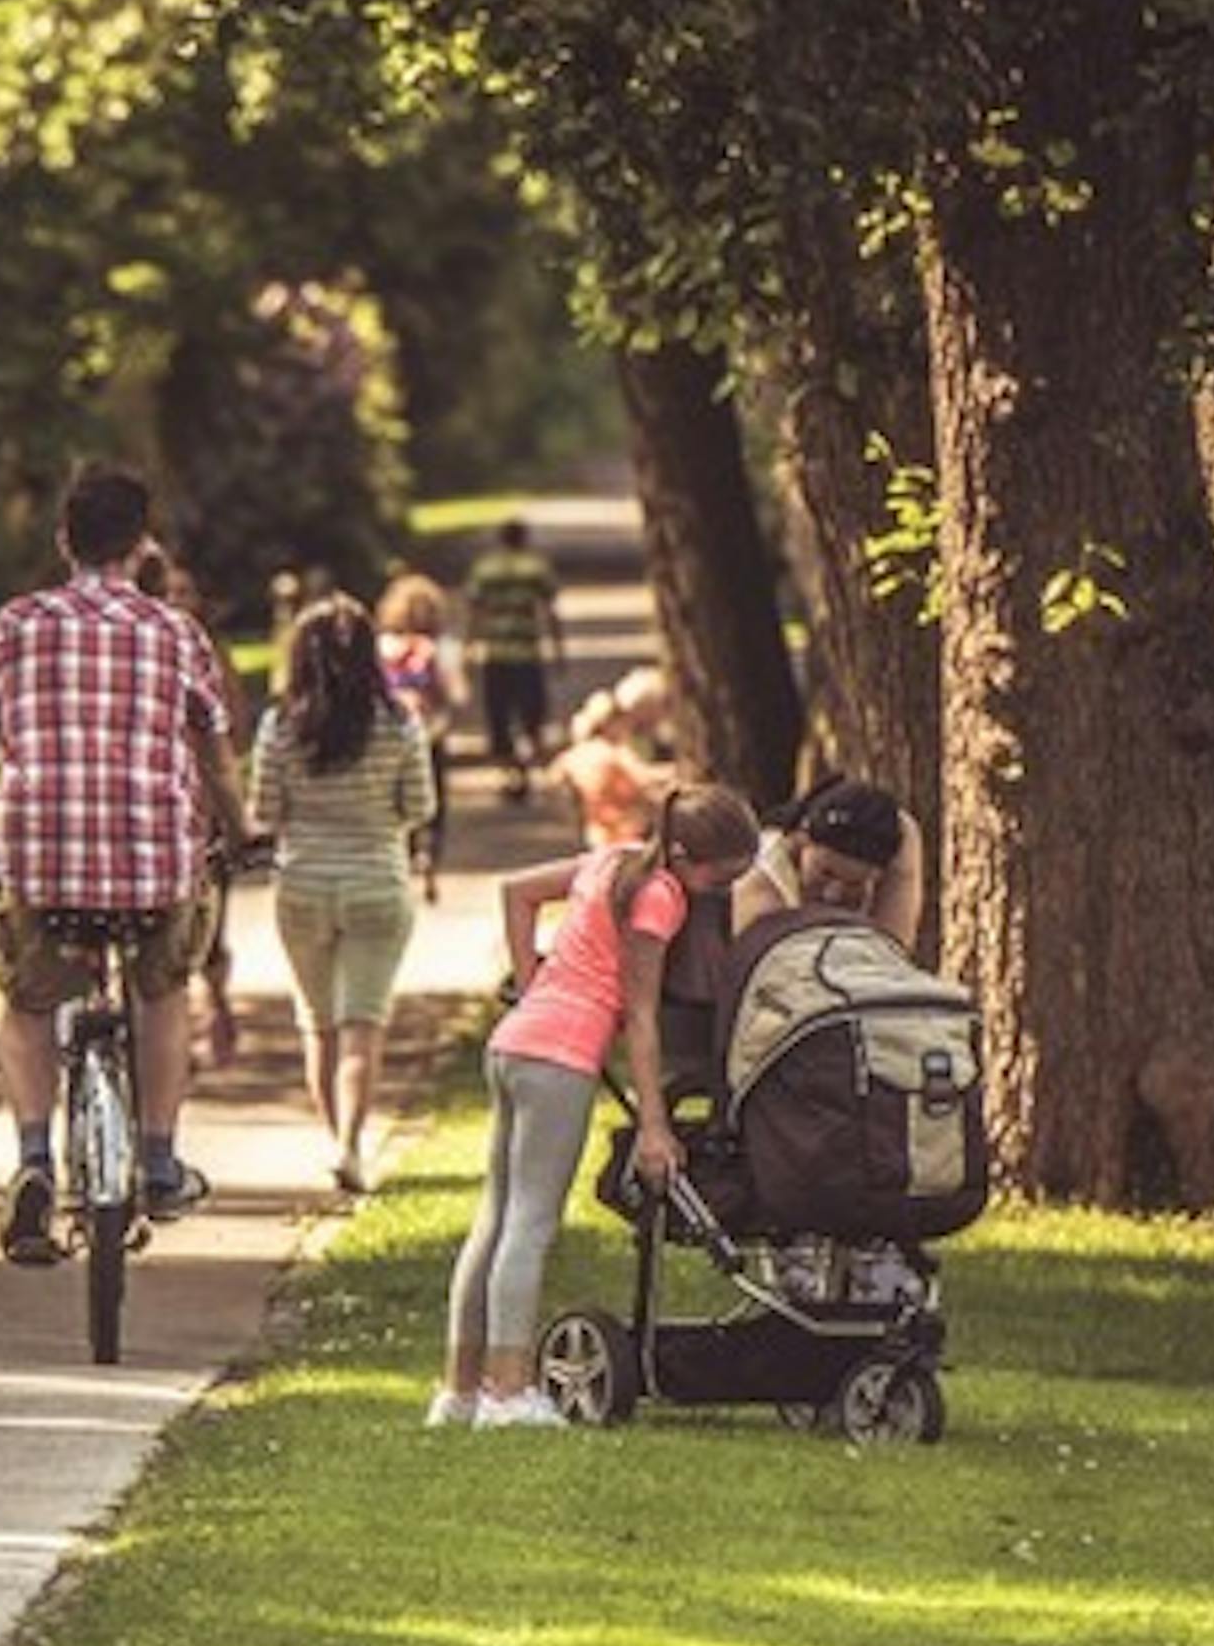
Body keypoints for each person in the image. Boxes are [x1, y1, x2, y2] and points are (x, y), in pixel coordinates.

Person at [0, 464, 254, 1261]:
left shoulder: (18, 623)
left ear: (63, 541)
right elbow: (214, 753)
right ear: (141, 545)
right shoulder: (174, 631)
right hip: (154, 861)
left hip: (42, 858)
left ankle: (35, 1159)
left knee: (29, 1004)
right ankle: (156, 1157)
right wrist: (242, 829)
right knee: (162, 991)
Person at [437, 786, 761, 1429]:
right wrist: (655, 1126)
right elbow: (640, 1018)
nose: (716, 891)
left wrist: (531, 983)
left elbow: (517, 892)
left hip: (513, 1045)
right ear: (684, 856)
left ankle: (459, 1390)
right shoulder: (660, 896)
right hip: (560, 1058)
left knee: (494, 1220)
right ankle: (507, 1393)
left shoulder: (608, 860)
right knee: (530, 1224)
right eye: (719, 877)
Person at [256, 595, 440, 1196]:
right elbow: (420, 807)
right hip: (376, 883)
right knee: (364, 1024)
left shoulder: (280, 725)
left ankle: (338, 1144)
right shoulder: (400, 723)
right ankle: (350, 1147)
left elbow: (264, 810)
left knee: (320, 1026)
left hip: (303, 885)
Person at [131, 541, 253, 1068]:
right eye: (169, 592)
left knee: (210, 921)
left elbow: (236, 732)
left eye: (186, 594)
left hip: (203, 809)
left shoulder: (211, 657)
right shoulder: (138, 650)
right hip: (153, 808)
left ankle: (213, 1006)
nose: (177, 601)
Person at [735, 773, 927, 948]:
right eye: (826, 872)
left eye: (854, 884)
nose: (833, 895)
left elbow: (890, 954)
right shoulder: (759, 893)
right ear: (802, 841)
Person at [460, 517, 565, 802]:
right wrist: (558, 649)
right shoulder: (536, 568)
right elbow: (550, 611)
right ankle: (530, 769)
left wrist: (468, 650)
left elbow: (474, 613)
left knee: (499, 716)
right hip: (527, 652)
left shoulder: (485, 569)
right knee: (532, 714)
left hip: (495, 653)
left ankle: (511, 773)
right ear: (525, 539)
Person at [375, 571, 461, 900]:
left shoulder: (381, 647)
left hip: (391, 735)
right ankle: (430, 855)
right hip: (430, 731)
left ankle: (405, 854)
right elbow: (454, 691)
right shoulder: (436, 648)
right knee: (434, 798)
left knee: (397, 798)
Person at [551, 686, 664, 851]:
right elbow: (644, 780)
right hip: (627, 833)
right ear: (611, 723)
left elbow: (555, 784)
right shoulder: (615, 754)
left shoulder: (572, 756)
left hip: (595, 833)